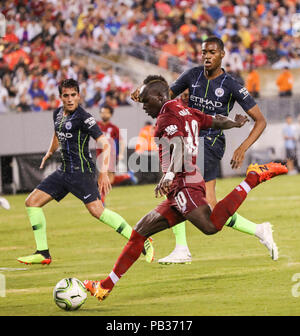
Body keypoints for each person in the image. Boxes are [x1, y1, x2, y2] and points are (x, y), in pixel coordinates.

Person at [84, 75, 287, 301]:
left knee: (210, 226)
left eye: (147, 102)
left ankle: (252, 178)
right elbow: (214, 120)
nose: (144, 107)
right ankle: (104, 286)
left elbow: (179, 144)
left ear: (160, 97)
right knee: (139, 232)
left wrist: (169, 175)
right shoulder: (184, 110)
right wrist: (234, 123)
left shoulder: (166, 115)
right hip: (182, 184)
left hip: (183, 184)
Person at [132, 36, 275, 265]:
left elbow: (260, 121)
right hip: (187, 142)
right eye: (204, 52)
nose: (207, 56)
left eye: (211, 52)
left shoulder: (231, 84)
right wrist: (143, 92)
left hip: (209, 143)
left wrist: (242, 147)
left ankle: (183, 248)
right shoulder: (192, 75)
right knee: (208, 204)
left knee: (180, 189)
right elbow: (163, 96)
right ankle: (258, 230)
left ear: (222, 55)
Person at [17, 79, 154, 265]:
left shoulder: (84, 117)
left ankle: (141, 240)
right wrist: (50, 152)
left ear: (79, 96)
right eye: (66, 95)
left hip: (81, 172)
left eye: (73, 95)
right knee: (32, 202)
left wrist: (104, 172)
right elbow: (57, 133)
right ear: (61, 97)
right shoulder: (57, 113)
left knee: (98, 212)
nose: (70, 99)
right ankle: (43, 253)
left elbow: (105, 144)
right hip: (64, 171)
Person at [96, 104, 137, 199]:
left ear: (110, 114)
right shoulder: (96, 125)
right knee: (110, 180)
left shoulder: (114, 128)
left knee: (103, 178)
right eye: (102, 112)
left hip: (111, 155)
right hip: (100, 155)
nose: (104, 114)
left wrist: (121, 154)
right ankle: (127, 176)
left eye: (106, 112)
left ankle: (101, 200)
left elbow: (121, 141)